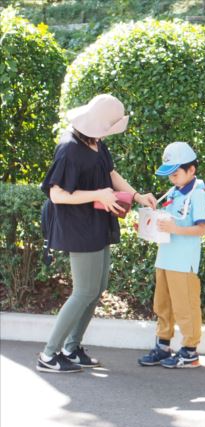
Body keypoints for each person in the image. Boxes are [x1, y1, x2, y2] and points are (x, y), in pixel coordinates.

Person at [37, 94, 157, 373]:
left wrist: (137, 196)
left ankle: (72, 347)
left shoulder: (96, 144)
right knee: (84, 291)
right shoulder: (68, 148)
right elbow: (57, 195)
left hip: (97, 222)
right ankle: (49, 354)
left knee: (97, 288)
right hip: (78, 226)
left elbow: (111, 174)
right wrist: (99, 194)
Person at [138, 142, 205, 369]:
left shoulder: (197, 193)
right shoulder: (173, 192)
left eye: (176, 174)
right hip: (165, 258)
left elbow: (201, 228)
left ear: (191, 170)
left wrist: (175, 229)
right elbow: (165, 221)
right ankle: (163, 345)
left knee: (185, 306)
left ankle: (189, 350)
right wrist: (146, 225)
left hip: (183, 262)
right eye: (170, 175)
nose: (172, 179)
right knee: (163, 304)